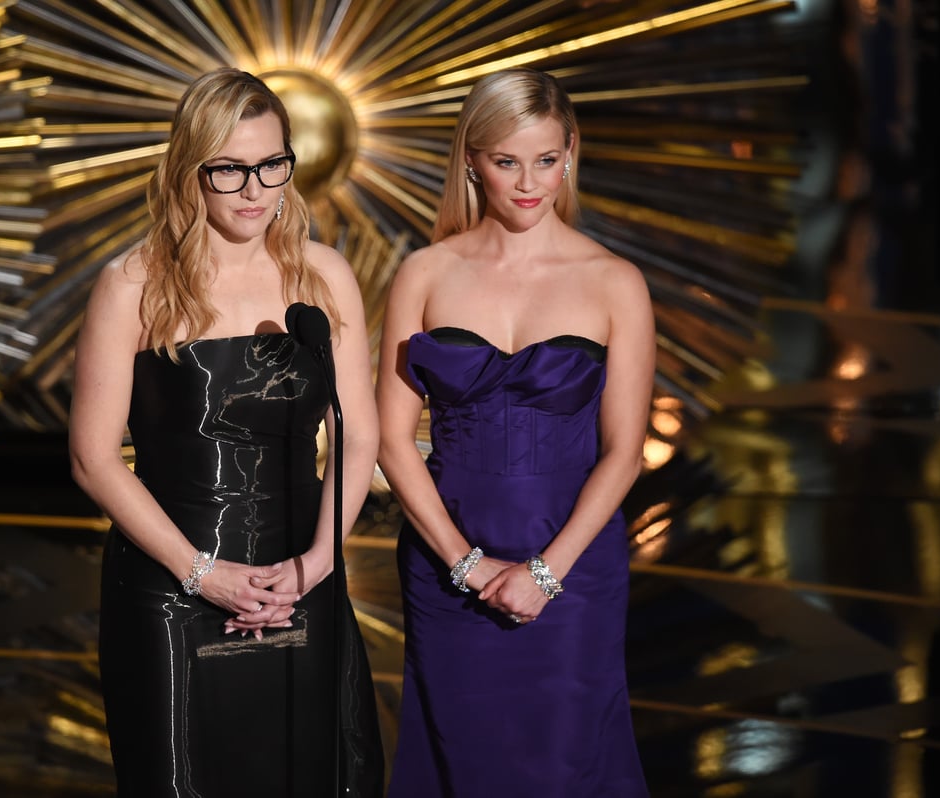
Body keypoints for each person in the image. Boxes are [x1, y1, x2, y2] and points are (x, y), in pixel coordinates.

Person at [69, 67, 385, 798]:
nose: (255, 190)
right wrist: (200, 572)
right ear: (189, 169)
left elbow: (359, 437)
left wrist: (314, 566)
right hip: (170, 588)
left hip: (299, 578)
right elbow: (93, 459)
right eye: (231, 170)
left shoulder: (325, 276)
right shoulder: (132, 284)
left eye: (273, 164)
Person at [375, 67, 654, 797]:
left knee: (564, 765)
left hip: (574, 572)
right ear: (471, 158)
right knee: (454, 762)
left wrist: (545, 572)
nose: (530, 183)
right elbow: (390, 438)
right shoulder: (426, 272)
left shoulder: (614, 281)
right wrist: (463, 562)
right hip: (445, 568)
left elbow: (625, 452)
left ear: (570, 154)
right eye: (507, 161)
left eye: (547, 160)